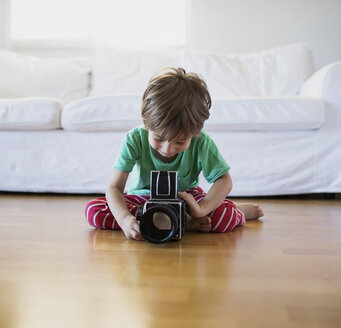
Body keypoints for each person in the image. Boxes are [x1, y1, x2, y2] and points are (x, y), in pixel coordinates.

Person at [85, 68, 264, 240]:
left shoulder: (201, 141)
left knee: (222, 217)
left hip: (187, 200)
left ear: (195, 132)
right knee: (93, 210)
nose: (167, 149)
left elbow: (224, 180)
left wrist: (201, 208)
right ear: (147, 124)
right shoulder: (134, 139)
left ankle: (235, 211)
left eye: (180, 141)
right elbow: (114, 188)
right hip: (143, 199)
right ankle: (185, 223)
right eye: (158, 138)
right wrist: (125, 219)